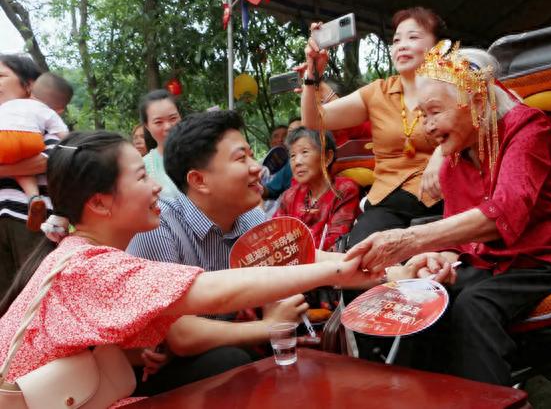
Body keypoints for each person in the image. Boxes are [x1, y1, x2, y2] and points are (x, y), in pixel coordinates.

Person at [0, 130, 369, 407]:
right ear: (100, 203)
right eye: (142, 177)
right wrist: (337, 275)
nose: (157, 187)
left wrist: (381, 265)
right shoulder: (92, 266)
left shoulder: (78, 253)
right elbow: (214, 289)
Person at [345, 42, 551, 385]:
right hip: (492, 266)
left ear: (477, 102)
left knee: (474, 305)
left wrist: (410, 240)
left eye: (434, 112)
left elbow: (504, 212)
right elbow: (462, 242)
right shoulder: (454, 158)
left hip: (548, 261)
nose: (427, 126)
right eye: (422, 116)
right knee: (424, 298)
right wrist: (439, 259)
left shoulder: (526, 127)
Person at [127, 110, 310, 394]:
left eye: (252, 155)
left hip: (211, 350)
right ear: (199, 181)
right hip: (151, 369)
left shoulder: (250, 217)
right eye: (241, 158)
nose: (257, 168)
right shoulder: (160, 227)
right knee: (232, 362)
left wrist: (368, 267)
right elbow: (181, 336)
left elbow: (291, 265)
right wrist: (270, 326)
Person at [301, 7, 446, 248]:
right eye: (397, 40)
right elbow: (314, 120)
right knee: (361, 262)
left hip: (444, 198)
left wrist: (442, 153)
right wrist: (312, 73)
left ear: (438, 47)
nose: (402, 45)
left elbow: (477, 123)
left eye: (413, 37)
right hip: (388, 202)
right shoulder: (377, 91)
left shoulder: (454, 86)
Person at [0, 55, 56, 297]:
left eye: (1, 76)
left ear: (29, 84)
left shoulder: (41, 115)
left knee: (36, 297)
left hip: (32, 221)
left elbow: (54, 157)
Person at [0, 72, 73, 231]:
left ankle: (34, 198)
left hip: (3, 139)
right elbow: (66, 139)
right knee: (22, 159)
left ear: (29, 87)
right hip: (30, 140)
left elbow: (47, 161)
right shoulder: (47, 112)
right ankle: (33, 196)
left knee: (16, 159)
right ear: (60, 109)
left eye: (2, 76)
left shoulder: (9, 106)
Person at [274, 127, 360, 251]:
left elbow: (336, 242)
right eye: (292, 155)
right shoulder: (289, 196)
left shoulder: (344, 190)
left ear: (327, 157)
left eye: (304, 152)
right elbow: (273, 235)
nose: (297, 162)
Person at [139, 89, 181, 199]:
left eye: (173, 118)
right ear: (147, 126)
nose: (168, 126)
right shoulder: (144, 167)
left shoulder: (201, 153)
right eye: (158, 122)